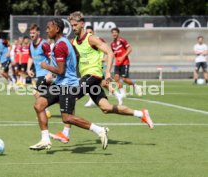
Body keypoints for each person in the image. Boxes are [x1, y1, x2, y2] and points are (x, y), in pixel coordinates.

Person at [50, 11, 154, 144]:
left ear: (82, 24)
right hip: (87, 78)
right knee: (106, 108)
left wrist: (108, 73)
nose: (73, 27)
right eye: (72, 25)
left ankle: (66, 133)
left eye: (75, 24)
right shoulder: (74, 42)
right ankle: (141, 114)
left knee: (70, 95)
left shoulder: (91, 38)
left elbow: (110, 53)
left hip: (93, 75)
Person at [29, 18, 109, 151]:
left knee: (67, 118)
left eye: (49, 27)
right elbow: (76, 55)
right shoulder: (64, 42)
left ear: (57, 29)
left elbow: (60, 70)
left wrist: (46, 66)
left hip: (68, 86)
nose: (47, 30)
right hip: (60, 83)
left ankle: (100, 130)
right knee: (39, 105)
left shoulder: (60, 45)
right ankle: (45, 140)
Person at [83, 26, 123, 107]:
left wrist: (105, 58)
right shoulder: (86, 41)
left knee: (93, 83)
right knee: (102, 83)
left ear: (93, 32)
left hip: (97, 66)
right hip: (90, 66)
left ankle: (92, 100)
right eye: (87, 32)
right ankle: (117, 95)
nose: (89, 34)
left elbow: (108, 51)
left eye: (90, 32)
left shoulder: (98, 39)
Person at [26, 24, 51, 118]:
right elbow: (30, 57)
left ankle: (44, 111)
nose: (32, 35)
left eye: (33, 33)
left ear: (38, 33)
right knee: (50, 94)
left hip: (46, 73)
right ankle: (46, 109)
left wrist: (50, 73)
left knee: (35, 91)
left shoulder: (44, 44)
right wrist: (28, 69)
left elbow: (52, 58)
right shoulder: (30, 45)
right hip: (39, 74)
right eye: (30, 33)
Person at [110, 27, 142, 97]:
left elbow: (130, 49)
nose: (114, 34)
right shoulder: (112, 44)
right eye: (113, 33)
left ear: (118, 33)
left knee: (124, 79)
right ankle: (122, 93)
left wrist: (123, 56)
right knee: (116, 78)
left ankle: (136, 86)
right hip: (117, 63)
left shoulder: (122, 40)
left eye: (115, 32)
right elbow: (113, 54)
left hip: (125, 62)